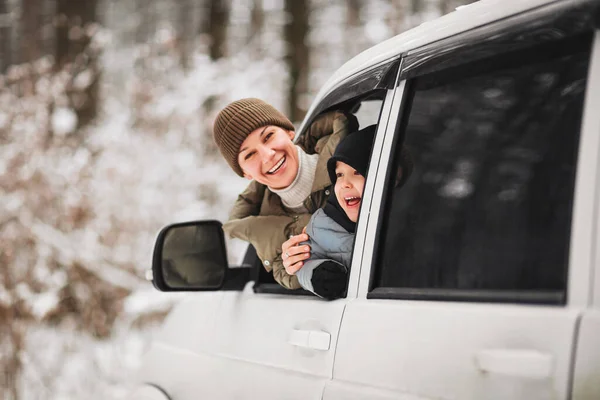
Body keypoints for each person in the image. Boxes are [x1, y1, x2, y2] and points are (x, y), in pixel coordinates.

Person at [212, 98, 356, 289]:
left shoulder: (351, 157)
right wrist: (298, 269)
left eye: (268, 136)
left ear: (289, 132)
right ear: (245, 173)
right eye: (249, 155)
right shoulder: (264, 228)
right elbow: (286, 272)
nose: (267, 155)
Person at [294, 125, 388, 299]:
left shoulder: (401, 222)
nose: (345, 183)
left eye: (357, 172)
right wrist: (318, 274)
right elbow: (305, 262)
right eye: (339, 175)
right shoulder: (323, 226)